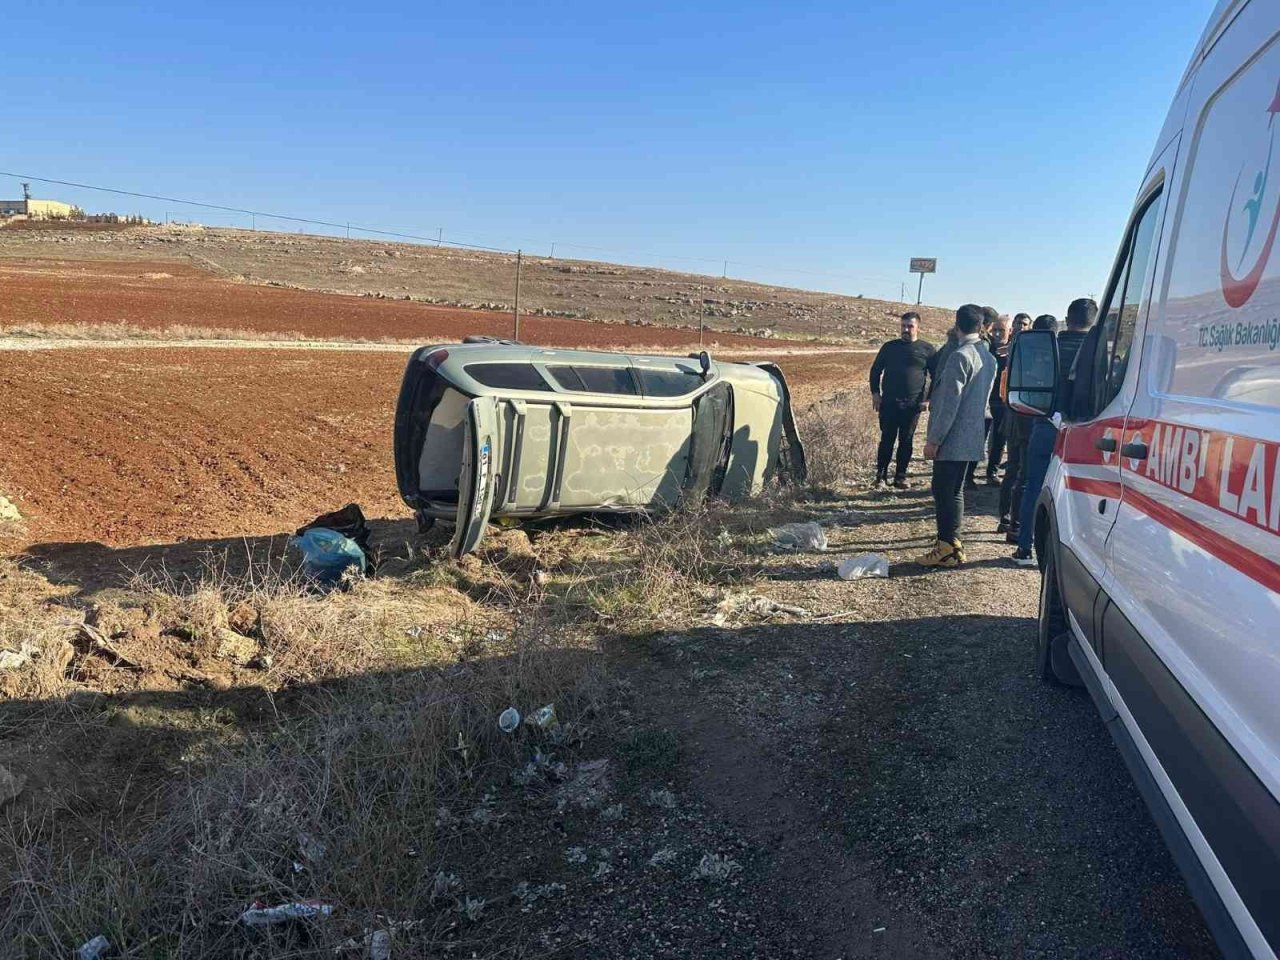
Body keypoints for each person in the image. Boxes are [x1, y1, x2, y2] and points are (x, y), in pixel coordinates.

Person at [1012, 298, 1098, 566]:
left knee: (1034, 486)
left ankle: (1025, 548)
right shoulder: (1098, 351)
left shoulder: (1049, 348)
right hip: (1083, 432)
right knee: (1076, 493)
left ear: (1067, 318)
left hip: (1046, 424)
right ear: (1093, 321)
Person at [918, 304, 998, 568]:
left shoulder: (960, 356)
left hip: (952, 436)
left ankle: (947, 547)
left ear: (957, 324)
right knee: (954, 490)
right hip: (972, 433)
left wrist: (934, 440)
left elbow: (948, 404)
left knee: (944, 490)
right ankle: (951, 544)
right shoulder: (988, 357)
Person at [999, 314, 1058, 539]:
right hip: (1027, 419)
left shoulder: (1018, 346)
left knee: (1014, 472)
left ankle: (1007, 519)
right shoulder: (1042, 351)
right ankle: (1015, 525)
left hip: (1016, 415)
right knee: (1022, 475)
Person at [869, 312, 936, 489]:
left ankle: (900, 476)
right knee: (887, 440)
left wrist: (928, 399)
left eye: (910, 326)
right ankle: (880, 476)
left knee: (906, 440)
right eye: (903, 326)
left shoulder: (927, 349)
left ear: (918, 327)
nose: (906, 329)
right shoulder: (889, 347)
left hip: (913, 405)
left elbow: (936, 376)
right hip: (889, 403)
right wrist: (876, 393)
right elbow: (875, 371)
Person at [984, 313, 1013, 484]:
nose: (997, 334)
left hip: (1003, 402)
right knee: (979, 437)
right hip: (985, 400)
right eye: (994, 330)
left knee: (999, 440)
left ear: (1009, 331)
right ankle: (969, 475)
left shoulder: (1014, 351)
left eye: (1001, 330)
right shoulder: (985, 348)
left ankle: (992, 473)